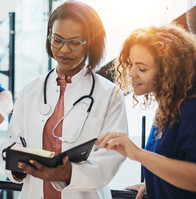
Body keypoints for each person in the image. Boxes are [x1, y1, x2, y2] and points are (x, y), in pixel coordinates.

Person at [2, 1, 128, 199]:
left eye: (75, 42)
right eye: (57, 39)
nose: (64, 50)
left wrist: (69, 174)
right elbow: (13, 142)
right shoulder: (30, 91)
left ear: (91, 43)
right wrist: (17, 169)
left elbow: (112, 157)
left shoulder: (110, 94)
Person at [96, 23, 196, 199]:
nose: (132, 73)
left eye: (142, 68)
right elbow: (171, 162)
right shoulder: (167, 108)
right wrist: (152, 182)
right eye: (130, 64)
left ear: (168, 71)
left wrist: (138, 154)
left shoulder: (191, 110)